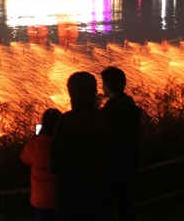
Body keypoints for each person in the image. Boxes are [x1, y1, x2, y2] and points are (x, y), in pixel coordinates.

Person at [49, 72, 110, 221]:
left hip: (69, 190)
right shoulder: (103, 119)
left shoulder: (65, 121)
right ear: (93, 92)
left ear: (72, 93)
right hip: (95, 187)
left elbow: (54, 161)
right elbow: (109, 154)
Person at [100, 67, 142, 221]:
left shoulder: (109, 112)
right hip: (130, 165)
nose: (102, 87)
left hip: (112, 169)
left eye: (103, 83)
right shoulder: (130, 107)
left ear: (108, 86)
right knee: (126, 208)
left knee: (107, 209)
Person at [21, 108, 62, 221]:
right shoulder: (64, 143)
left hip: (40, 200)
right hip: (60, 197)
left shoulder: (34, 143)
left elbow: (25, 159)